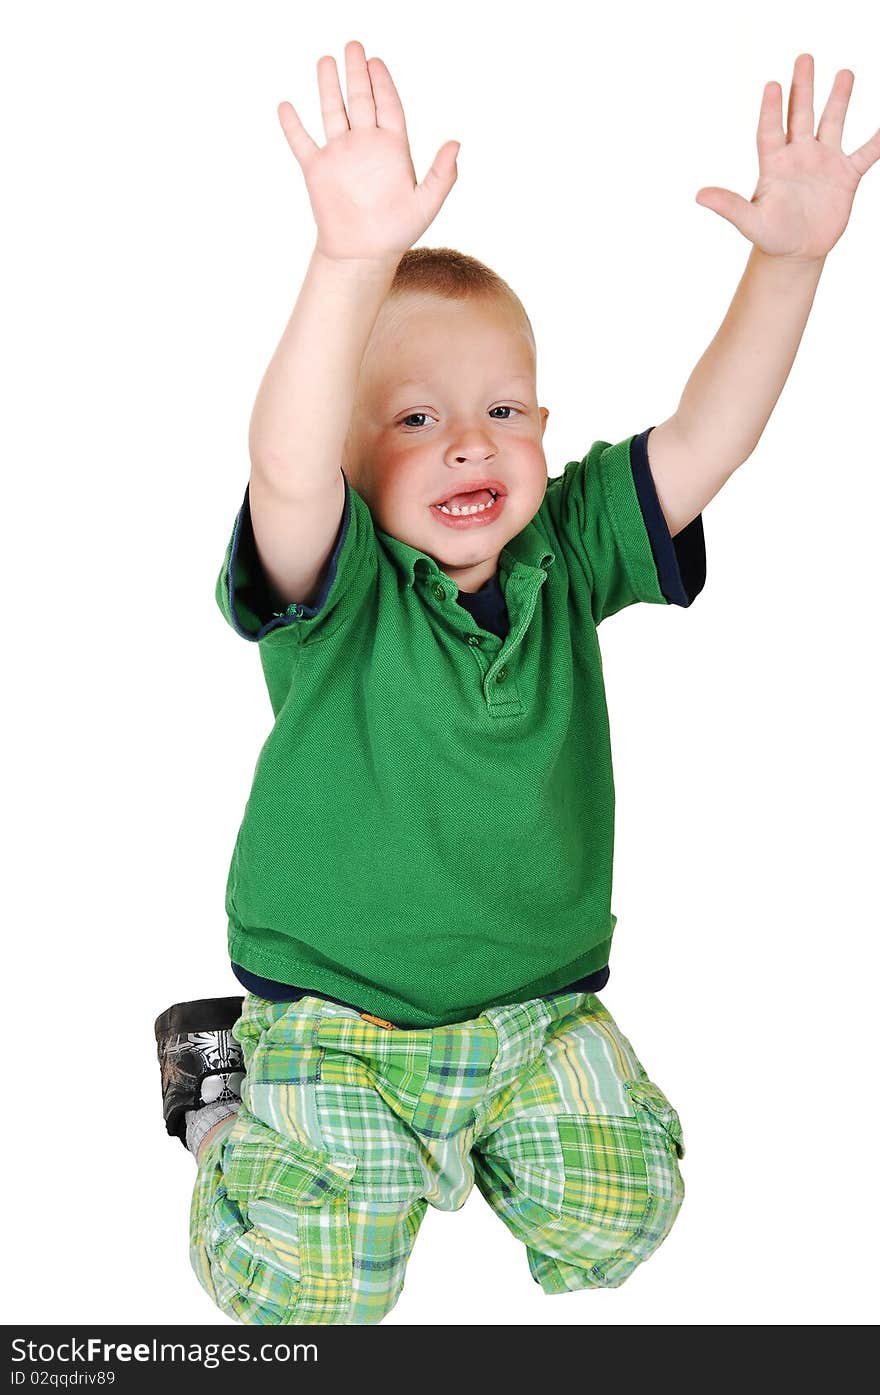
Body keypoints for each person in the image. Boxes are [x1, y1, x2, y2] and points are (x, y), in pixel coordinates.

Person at [155, 43, 879, 1324]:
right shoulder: (336, 579)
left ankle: (474, 1144)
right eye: (415, 420)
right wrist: (346, 264)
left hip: (534, 1009)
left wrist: (789, 264)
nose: (471, 442)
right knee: (312, 1297)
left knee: (622, 1222)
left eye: (505, 408)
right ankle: (223, 1110)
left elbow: (707, 435)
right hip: (337, 1016)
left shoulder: (570, 542)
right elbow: (285, 466)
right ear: (350, 457)